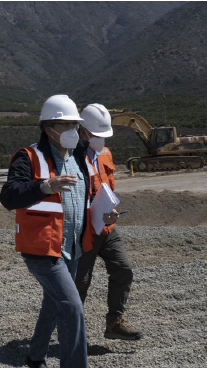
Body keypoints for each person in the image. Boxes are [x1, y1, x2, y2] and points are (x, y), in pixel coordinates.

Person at [0, 94, 106, 368]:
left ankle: (34, 356)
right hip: (42, 248)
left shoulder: (80, 154)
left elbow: (88, 195)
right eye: (67, 125)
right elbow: (9, 196)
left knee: (54, 301)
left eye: (76, 124)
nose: (74, 130)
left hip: (73, 245)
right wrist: (45, 186)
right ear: (49, 128)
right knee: (71, 306)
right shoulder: (29, 157)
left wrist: (103, 213)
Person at [75, 104, 144, 340]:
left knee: (123, 269)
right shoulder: (71, 158)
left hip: (107, 226)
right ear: (83, 131)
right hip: (84, 230)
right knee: (80, 283)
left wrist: (110, 210)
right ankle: (73, 332)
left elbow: (107, 188)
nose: (101, 139)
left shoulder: (105, 153)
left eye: (103, 135)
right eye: (96, 134)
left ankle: (114, 323)